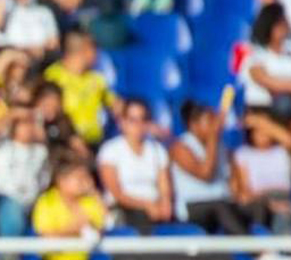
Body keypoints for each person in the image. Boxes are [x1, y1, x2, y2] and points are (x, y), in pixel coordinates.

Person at [170, 99, 252, 234]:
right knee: (220, 207)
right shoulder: (181, 147)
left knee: (255, 207)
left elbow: (232, 182)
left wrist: (242, 195)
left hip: (223, 202)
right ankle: (252, 246)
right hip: (193, 206)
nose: (215, 124)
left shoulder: (222, 146)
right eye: (210, 120)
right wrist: (213, 136)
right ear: (193, 125)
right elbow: (206, 174)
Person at [97, 98, 173, 232]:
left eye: (143, 119)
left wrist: (165, 205)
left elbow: (164, 187)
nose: (139, 125)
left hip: (154, 208)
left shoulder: (157, 150)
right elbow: (117, 193)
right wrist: (146, 205)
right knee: (142, 221)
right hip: (124, 209)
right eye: (133, 120)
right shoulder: (110, 150)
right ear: (122, 122)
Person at [32, 159, 104, 260]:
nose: (84, 182)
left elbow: (101, 227)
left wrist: (93, 193)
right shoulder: (46, 201)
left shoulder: (89, 200)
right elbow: (46, 234)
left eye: (85, 177)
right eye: (79, 178)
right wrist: (75, 230)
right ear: (62, 180)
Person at [44, 30, 121, 148]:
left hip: (95, 144)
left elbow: (117, 106)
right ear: (85, 49)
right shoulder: (52, 76)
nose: (98, 54)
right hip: (63, 144)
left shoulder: (96, 79)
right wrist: (69, 137)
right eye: (95, 48)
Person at [234, 111, 291, 233]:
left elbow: (287, 139)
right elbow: (243, 192)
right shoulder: (243, 153)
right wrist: (272, 205)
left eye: (266, 130)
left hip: (286, 196)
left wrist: (259, 121)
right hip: (261, 200)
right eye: (259, 130)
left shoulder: (282, 151)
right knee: (280, 217)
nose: (263, 134)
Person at [240, 4, 291, 119]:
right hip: (263, 109)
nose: (284, 26)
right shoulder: (256, 53)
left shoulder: (288, 50)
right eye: (279, 23)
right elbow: (264, 80)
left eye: (284, 21)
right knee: (284, 104)